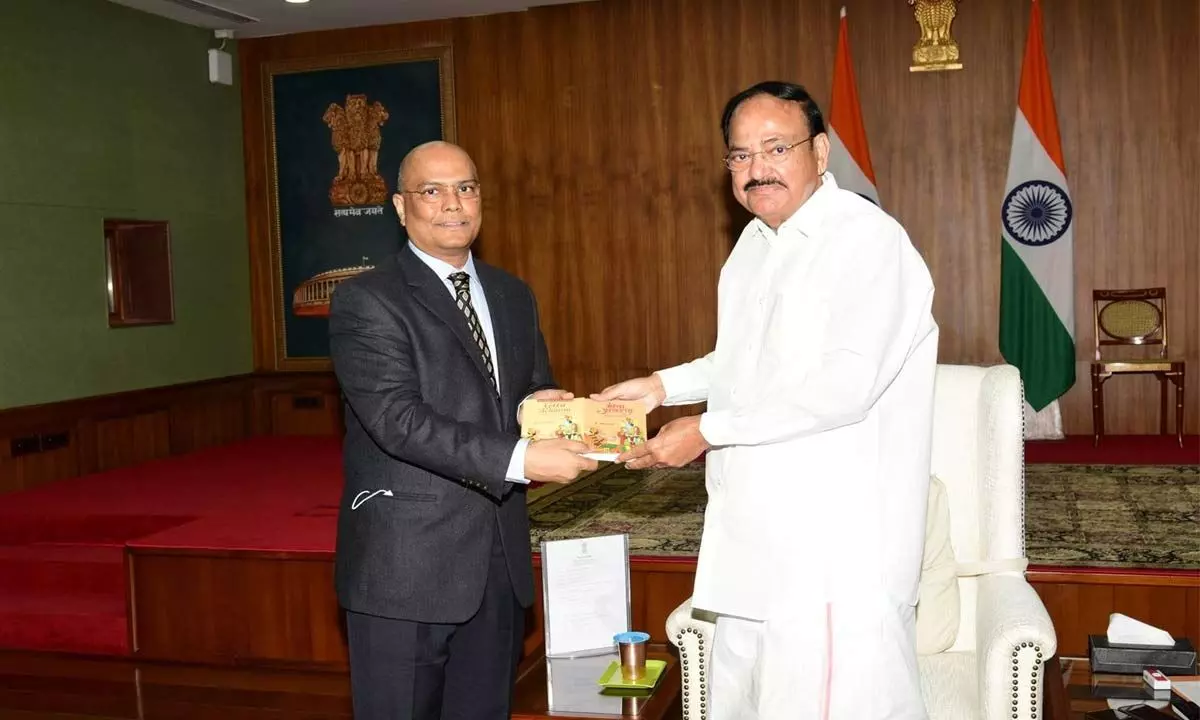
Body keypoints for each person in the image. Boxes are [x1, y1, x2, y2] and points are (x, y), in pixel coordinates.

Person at [593, 81, 939, 719]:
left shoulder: (866, 242)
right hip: (749, 539)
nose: (757, 171)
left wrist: (707, 429)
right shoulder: (753, 247)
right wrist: (663, 386)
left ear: (821, 152)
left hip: (832, 553)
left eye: (776, 149)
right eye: (740, 156)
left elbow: (842, 389)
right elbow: (748, 362)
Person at [329, 141, 598, 720]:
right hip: (405, 570)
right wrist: (523, 459)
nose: (453, 204)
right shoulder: (366, 300)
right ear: (401, 207)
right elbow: (396, 421)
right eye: (433, 190)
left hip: (496, 566)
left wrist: (541, 407)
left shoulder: (511, 294)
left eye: (466, 188)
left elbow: (520, 392)